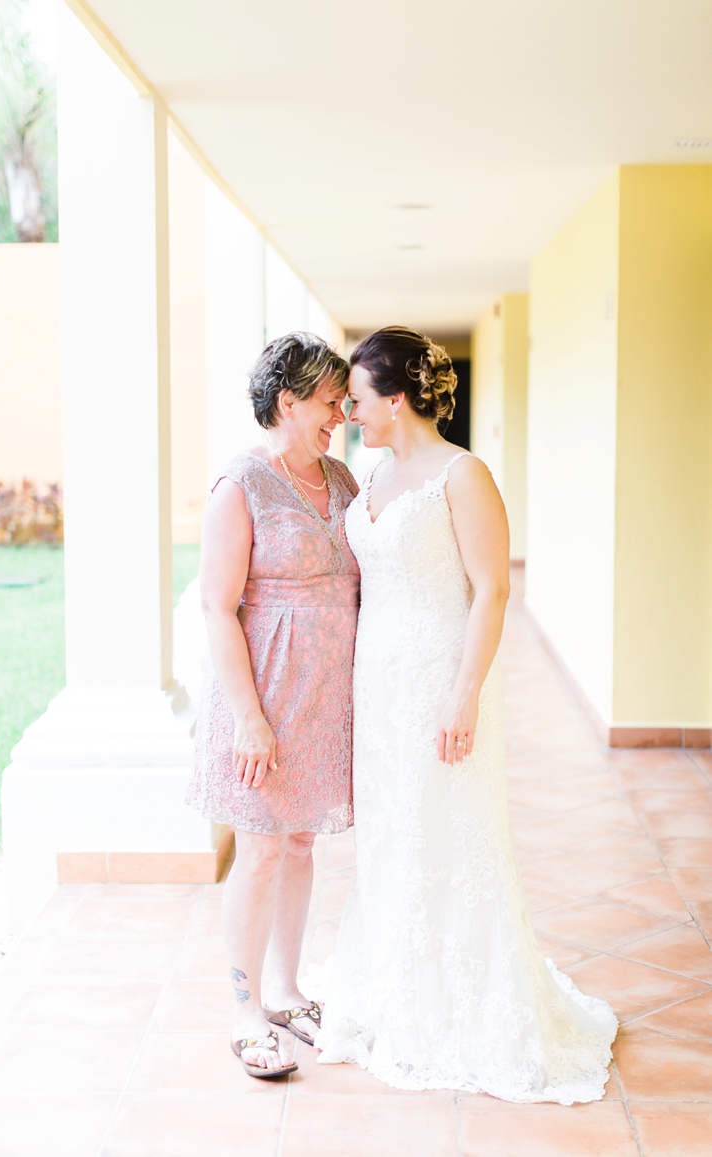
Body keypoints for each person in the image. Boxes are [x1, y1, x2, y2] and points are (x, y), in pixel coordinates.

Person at [314, 326, 617, 1102]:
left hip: (437, 678)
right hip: (375, 688)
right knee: (393, 833)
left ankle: (469, 1007)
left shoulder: (462, 473)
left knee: (449, 831)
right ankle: (398, 990)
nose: (348, 410)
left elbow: (491, 588)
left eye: (356, 397)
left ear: (397, 397)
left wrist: (462, 692)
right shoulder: (368, 476)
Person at [186, 332, 359, 1079]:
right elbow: (216, 608)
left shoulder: (343, 478)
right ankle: (244, 1008)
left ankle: (287, 990)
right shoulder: (241, 486)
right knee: (257, 848)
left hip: (323, 701)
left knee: (298, 843)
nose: (341, 414)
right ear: (287, 403)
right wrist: (250, 718)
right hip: (263, 700)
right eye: (328, 401)